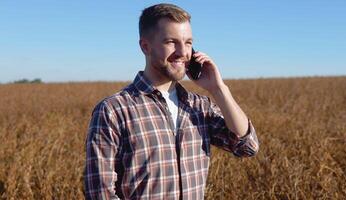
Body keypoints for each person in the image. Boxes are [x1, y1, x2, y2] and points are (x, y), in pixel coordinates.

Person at [84, 3, 259, 200]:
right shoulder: (113, 110)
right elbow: (99, 192)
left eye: (188, 42)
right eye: (171, 42)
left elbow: (247, 146)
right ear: (145, 46)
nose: (183, 52)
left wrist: (218, 89)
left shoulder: (199, 106)